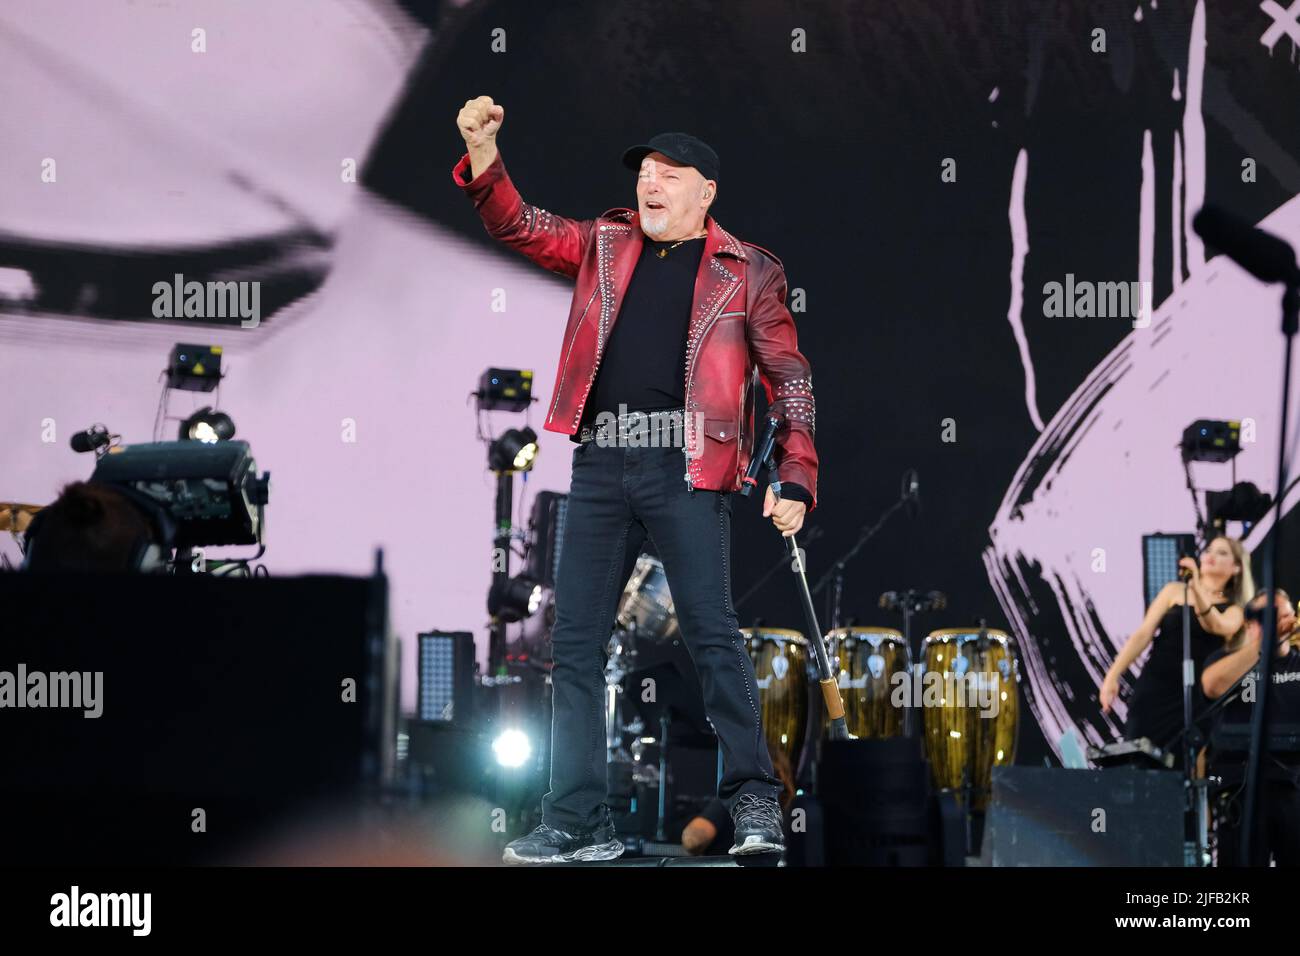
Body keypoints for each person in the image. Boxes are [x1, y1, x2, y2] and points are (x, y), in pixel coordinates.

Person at [453, 96, 819, 863]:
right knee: (574, 647)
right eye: (645, 173)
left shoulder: (748, 270)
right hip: (600, 465)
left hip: (687, 467)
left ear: (704, 192)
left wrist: (795, 473)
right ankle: (579, 819)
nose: (650, 186)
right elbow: (522, 225)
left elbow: (789, 379)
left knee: (714, 639)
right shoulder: (605, 244)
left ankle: (755, 805)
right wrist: (485, 155)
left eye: (668, 175)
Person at [1100, 536, 1251, 765]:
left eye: (1222, 553)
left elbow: (1215, 624)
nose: (1210, 555)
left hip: (1193, 697)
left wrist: (1196, 586)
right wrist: (1113, 675)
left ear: (1236, 567)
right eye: (1209, 549)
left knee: (1181, 761)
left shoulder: (1235, 610)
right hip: (1155, 686)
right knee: (1140, 754)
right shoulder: (1173, 591)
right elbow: (1142, 634)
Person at [1202, 588, 1300, 865]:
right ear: (1251, 624)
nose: (1282, 622)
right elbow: (1213, 685)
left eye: (1285, 615)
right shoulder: (1225, 661)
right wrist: (1267, 641)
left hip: (1294, 785)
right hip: (1240, 789)